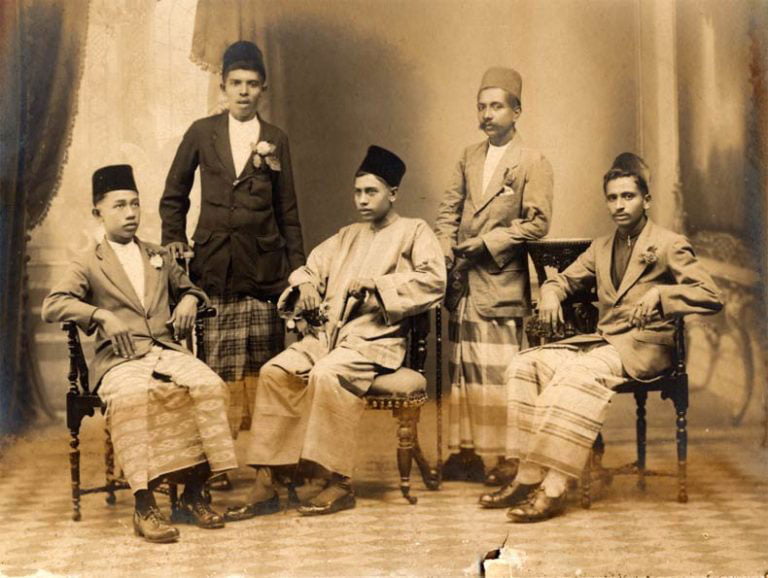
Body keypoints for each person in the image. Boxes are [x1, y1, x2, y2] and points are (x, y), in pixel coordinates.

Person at [479, 152, 723, 522]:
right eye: (613, 197)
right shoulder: (602, 247)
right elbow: (565, 279)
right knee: (524, 365)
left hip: (646, 348)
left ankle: (555, 485)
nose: (619, 205)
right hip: (606, 341)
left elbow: (711, 295)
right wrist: (550, 291)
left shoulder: (670, 244)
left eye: (628, 196)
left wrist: (663, 295)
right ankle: (527, 473)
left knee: (578, 375)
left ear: (647, 200)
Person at [224, 146, 446, 519]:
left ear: (393, 193)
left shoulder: (413, 231)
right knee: (275, 372)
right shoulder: (347, 235)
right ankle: (270, 478)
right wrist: (306, 285)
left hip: (374, 342)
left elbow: (434, 280)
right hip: (327, 338)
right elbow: (309, 268)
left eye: (371, 192)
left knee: (327, 374)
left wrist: (378, 286)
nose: (362, 200)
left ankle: (339, 480)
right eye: (358, 192)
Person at [42, 165, 238, 543]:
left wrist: (190, 303)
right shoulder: (88, 262)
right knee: (132, 398)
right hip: (120, 358)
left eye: (134, 204)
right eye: (119, 206)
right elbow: (53, 305)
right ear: (97, 212)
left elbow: (192, 289)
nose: (130, 213)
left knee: (209, 385)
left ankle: (194, 493)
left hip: (165, 350)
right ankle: (144, 502)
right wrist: (99, 314)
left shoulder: (157, 254)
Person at [159, 40, 305, 454]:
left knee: (264, 377)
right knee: (216, 376)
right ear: (222, 86)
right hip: (215, 271)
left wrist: (297, 271)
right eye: (236, 83)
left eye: (253, 84)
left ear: (264, 90)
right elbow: (174, 197)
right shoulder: (202, 132)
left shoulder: (275, 139)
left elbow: (287, 211)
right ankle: (216, 463)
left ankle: (267, 464)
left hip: (264, 275)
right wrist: (175, 247)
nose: (243, 91)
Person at [434, 67, 553, 485]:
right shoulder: (468, 156)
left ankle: (510, 457)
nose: (487, 114)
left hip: (501, 280)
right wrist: (445, 245)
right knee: (463, 370)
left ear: (516, 111)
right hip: (464, 280)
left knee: (501, 374)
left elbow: (537, 224)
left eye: (497, 106)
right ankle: (466, 453)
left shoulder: (532, 161)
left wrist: (488, 243)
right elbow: (449, 209)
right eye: (482, 106)